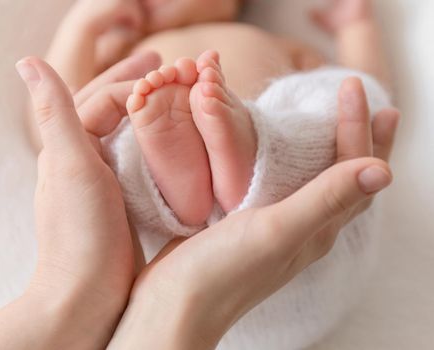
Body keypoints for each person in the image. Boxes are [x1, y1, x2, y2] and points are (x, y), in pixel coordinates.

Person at [25, 0, 398, 348]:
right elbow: (58, 131)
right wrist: (84, 27)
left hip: (291, 227)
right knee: (98, 141)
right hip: (179, 249)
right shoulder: (122, 54)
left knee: (339, 96)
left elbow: (360, 81)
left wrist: (355, 26)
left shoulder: (274, 41)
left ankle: (236, 159)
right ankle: (189, 176)